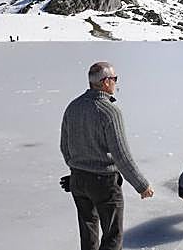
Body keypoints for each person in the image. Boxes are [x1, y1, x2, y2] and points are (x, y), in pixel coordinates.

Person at [61, 62, 154, 250]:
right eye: (115, 79)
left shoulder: (73, 107)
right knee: (112, 236)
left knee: (88, 235)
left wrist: (76, 170)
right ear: (105, 82)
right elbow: (121, 155)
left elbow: (65, 146)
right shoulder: (109, 112)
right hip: (104, 183)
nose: (116, 84)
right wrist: (142, 185)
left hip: (78, 180)